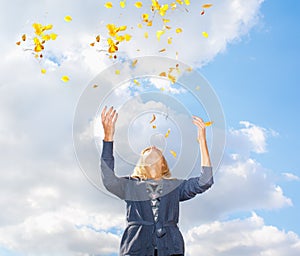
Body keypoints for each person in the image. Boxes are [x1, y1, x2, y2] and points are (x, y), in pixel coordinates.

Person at [100, 106, 214, 256]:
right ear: (141, 163)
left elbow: (205, 181)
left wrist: (202, 141)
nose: (152, 146)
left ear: (163, 163)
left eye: (158, 150)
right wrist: (108, 139)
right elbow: (109, 180)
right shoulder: (130, 186)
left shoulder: (175, 187)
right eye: (146, 150)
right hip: (137, 249)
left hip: (169, 249)